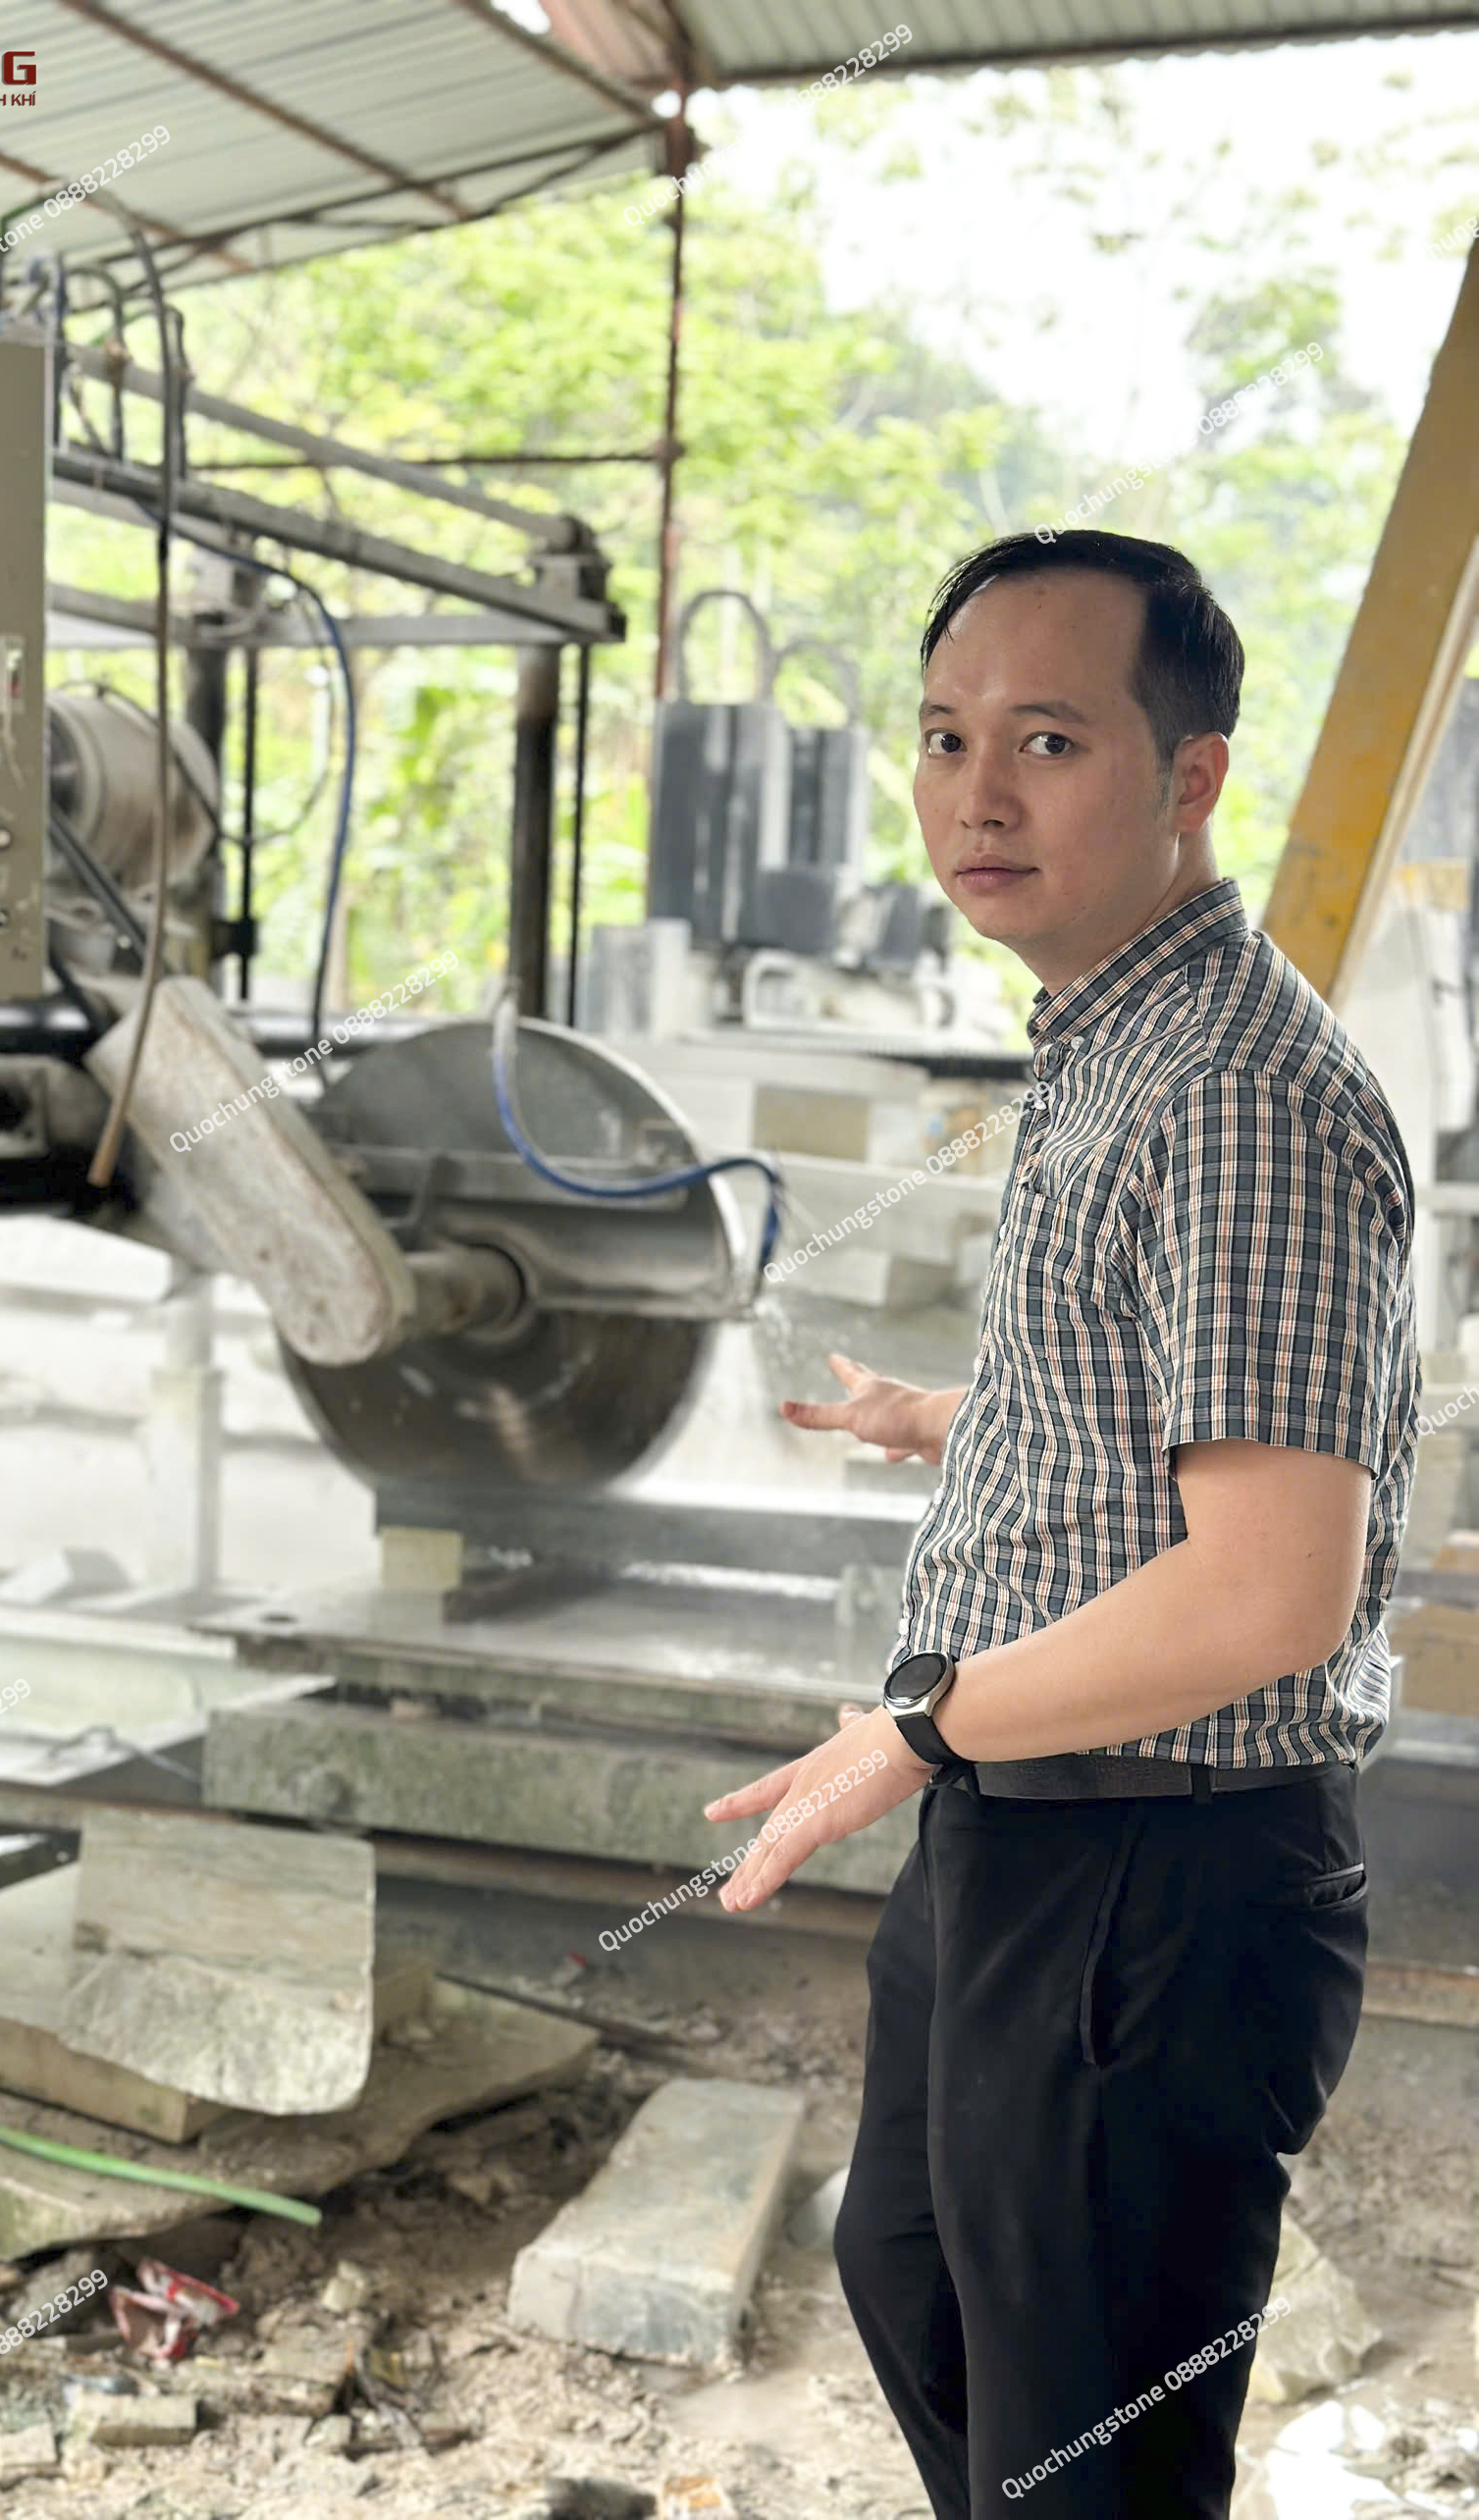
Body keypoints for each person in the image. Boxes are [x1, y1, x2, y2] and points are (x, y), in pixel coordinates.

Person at [705, 529, 1420, 2519]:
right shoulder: (1111, 1033)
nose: (975, 796)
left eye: (1045, 739)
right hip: (1022, 1833)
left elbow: (1271, 1591)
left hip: (1153, 1878)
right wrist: (956, 1418)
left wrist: (911, 1730)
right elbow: (1162, 1415)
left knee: (1081, 2452)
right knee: (917, 2280)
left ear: (1190, 776)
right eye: (944, 737)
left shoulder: (1238, 1090)